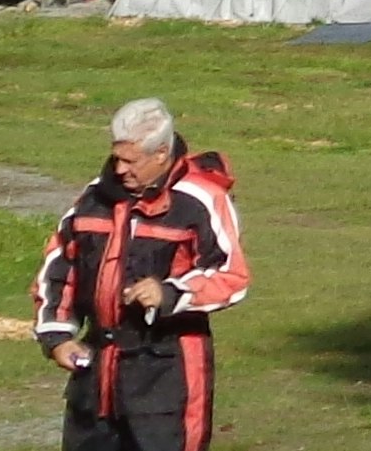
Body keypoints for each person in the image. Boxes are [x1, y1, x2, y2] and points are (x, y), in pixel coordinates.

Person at [35, 97, 248, 451]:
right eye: (117, 157)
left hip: (168, 372)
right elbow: (59, 268)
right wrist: (57, 337)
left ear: (161, 154)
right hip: (96, 369)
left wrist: (170, 293)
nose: (119, 169)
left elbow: (231, 275)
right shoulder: (92, 198)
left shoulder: (199, 200)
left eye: (131, 161)